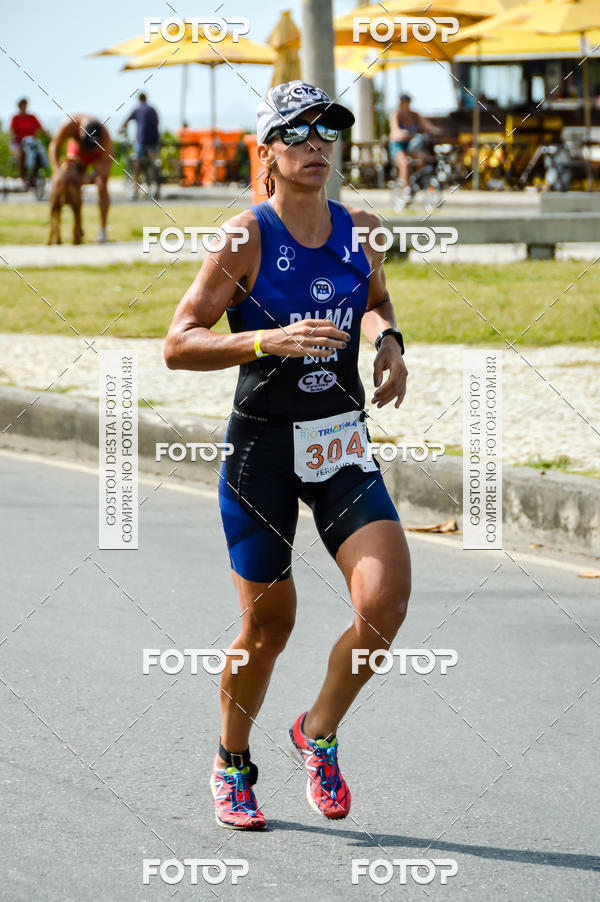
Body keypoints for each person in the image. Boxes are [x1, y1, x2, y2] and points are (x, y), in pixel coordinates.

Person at [164, 80, 411, 830]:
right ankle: (232, 762)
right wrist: (265, 338)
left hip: (340, 442)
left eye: (326, 133)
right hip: (262, 451)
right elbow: (180, 341)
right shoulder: (245, 236)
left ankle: (318, 732)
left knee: (384, 603)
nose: (316, 144)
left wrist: (389, 341)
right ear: (267, 152)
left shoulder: (358, 226)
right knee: (271, 630)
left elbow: (371, 297)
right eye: (297, 133)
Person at [49, 116, 113, 242]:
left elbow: (104, 169)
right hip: (76, 153)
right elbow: (54, 146)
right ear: (80, 131)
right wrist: (57, 171)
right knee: (69, 176)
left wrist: (91, 178)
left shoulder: (105, 137)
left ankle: (102, 230)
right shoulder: (69, 125)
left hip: (97, 155)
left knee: (102, 186)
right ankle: (71, 229)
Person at [389, 93, 442, 195]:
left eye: (408, 102)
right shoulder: (396, 114)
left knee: (422, 157)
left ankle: (421, 182)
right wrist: (401, 133)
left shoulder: (414, 115)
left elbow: (427, 126)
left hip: (411, 144)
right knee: (404, 162)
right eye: (404, 102)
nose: (406, 105)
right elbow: (395, 130)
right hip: (398, 144)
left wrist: (437, 130)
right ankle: (405, 188)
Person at [120, 93, 160, 197]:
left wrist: (122, 130)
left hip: (142, 140)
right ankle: (156, 182)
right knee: (153, 161)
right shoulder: (152, 109)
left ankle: (136, 186)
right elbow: (158, 122)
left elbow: (126, 121)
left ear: (138, 100)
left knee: (137, 160)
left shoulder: (137, 109)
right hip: (154, 139)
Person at [9, 98, 48, 183]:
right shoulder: (15, 118)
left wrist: (49, 136)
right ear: (19, 107)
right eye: (22, 106)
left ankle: (34, 175)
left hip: (31, 142)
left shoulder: (32, 117)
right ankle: (22, 176)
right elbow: (12, 131)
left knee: (38, 153)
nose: (24, 107)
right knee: (21, 155)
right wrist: (14, 138)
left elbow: (41, 128)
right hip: (18, 143)